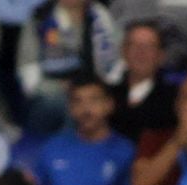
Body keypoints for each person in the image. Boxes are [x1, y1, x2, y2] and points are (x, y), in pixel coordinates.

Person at [33, 75, 140, 185]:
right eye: (78, 102)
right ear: (70, 108)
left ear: (109, 105)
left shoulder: (125, 151)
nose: (86, 109)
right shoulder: (52, 148)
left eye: (94, 100)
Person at [17, 0, 121, 137]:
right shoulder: (40, 17)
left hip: (94, 86)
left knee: (93, 101)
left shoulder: (100, 15)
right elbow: (27, 70)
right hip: (51, 93)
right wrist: (59, 88)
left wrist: (97, 88)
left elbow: (116, 60)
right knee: (69, 104)